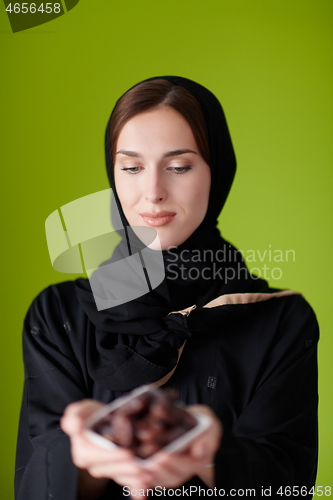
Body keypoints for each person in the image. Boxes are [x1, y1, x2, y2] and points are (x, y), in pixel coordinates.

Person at [15, 76, 319, 500]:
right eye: (132, 167)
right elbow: (31, 484)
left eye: (179, 167)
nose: (153, 192)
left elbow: (288, 485)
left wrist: (212, 455)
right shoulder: (57, 316)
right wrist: (79, 458)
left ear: (219, 173)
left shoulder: (279, 318)